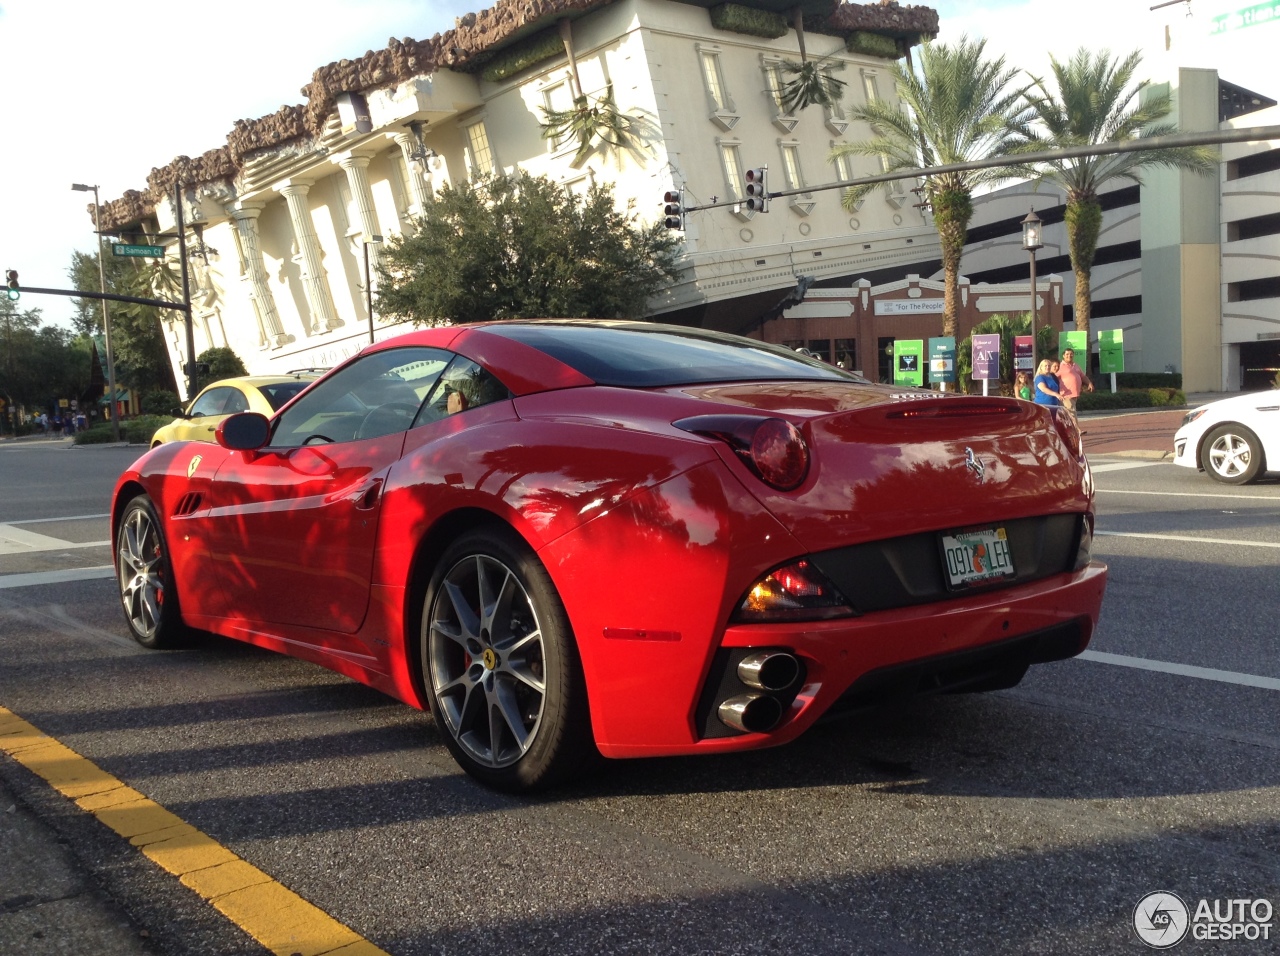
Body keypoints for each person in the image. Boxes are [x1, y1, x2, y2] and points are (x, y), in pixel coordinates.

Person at [1057, 347, 1093, 415]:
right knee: (1072, 415)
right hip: (1066, 395)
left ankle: (1069, 426)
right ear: (1063, 356)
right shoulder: (1060, 366)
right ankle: (1075, 426)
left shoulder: (1075, 365)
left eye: (1071, 354)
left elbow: (1083, 376)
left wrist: (1089, 383)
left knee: (1068, 414)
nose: (1069, 356)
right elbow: (1053, 377)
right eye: (1067, 354)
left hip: (1075, 395)